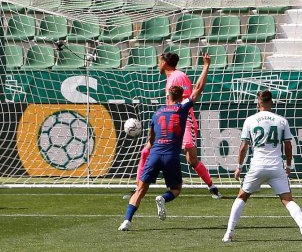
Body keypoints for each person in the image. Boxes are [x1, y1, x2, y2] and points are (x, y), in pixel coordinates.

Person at [118, 54, 211, 231]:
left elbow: (151, 139)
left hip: (155, 154)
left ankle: (126, 221)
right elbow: (198, 88)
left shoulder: (158, 113)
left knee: (140, 190)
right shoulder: (182, 109)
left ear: (168, 95)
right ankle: (163, 198)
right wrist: (206, 65)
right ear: (180, 96)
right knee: (176, 189)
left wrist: (150, 147)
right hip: (171, 156)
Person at [125, 52, 221, 200]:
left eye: (159, 61)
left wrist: (206, 66)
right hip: (170, 121)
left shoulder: (178, 77)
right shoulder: (171, 78)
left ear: (164, 62)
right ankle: (138, 188)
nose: (158, 64)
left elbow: (192, 95)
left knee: (192, 160)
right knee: (145, 152)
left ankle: (212, 186)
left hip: (184, 121)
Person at [222, 90, 302, 242]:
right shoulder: (281, 120)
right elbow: (288, 146)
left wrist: (239, 166)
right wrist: (289, 166)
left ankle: (229, 232)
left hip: (257, 166)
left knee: (242, 196)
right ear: (271, 102)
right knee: (287, 200)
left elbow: (243, 147)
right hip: (276, 166)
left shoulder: (250, 120)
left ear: (258, 103)